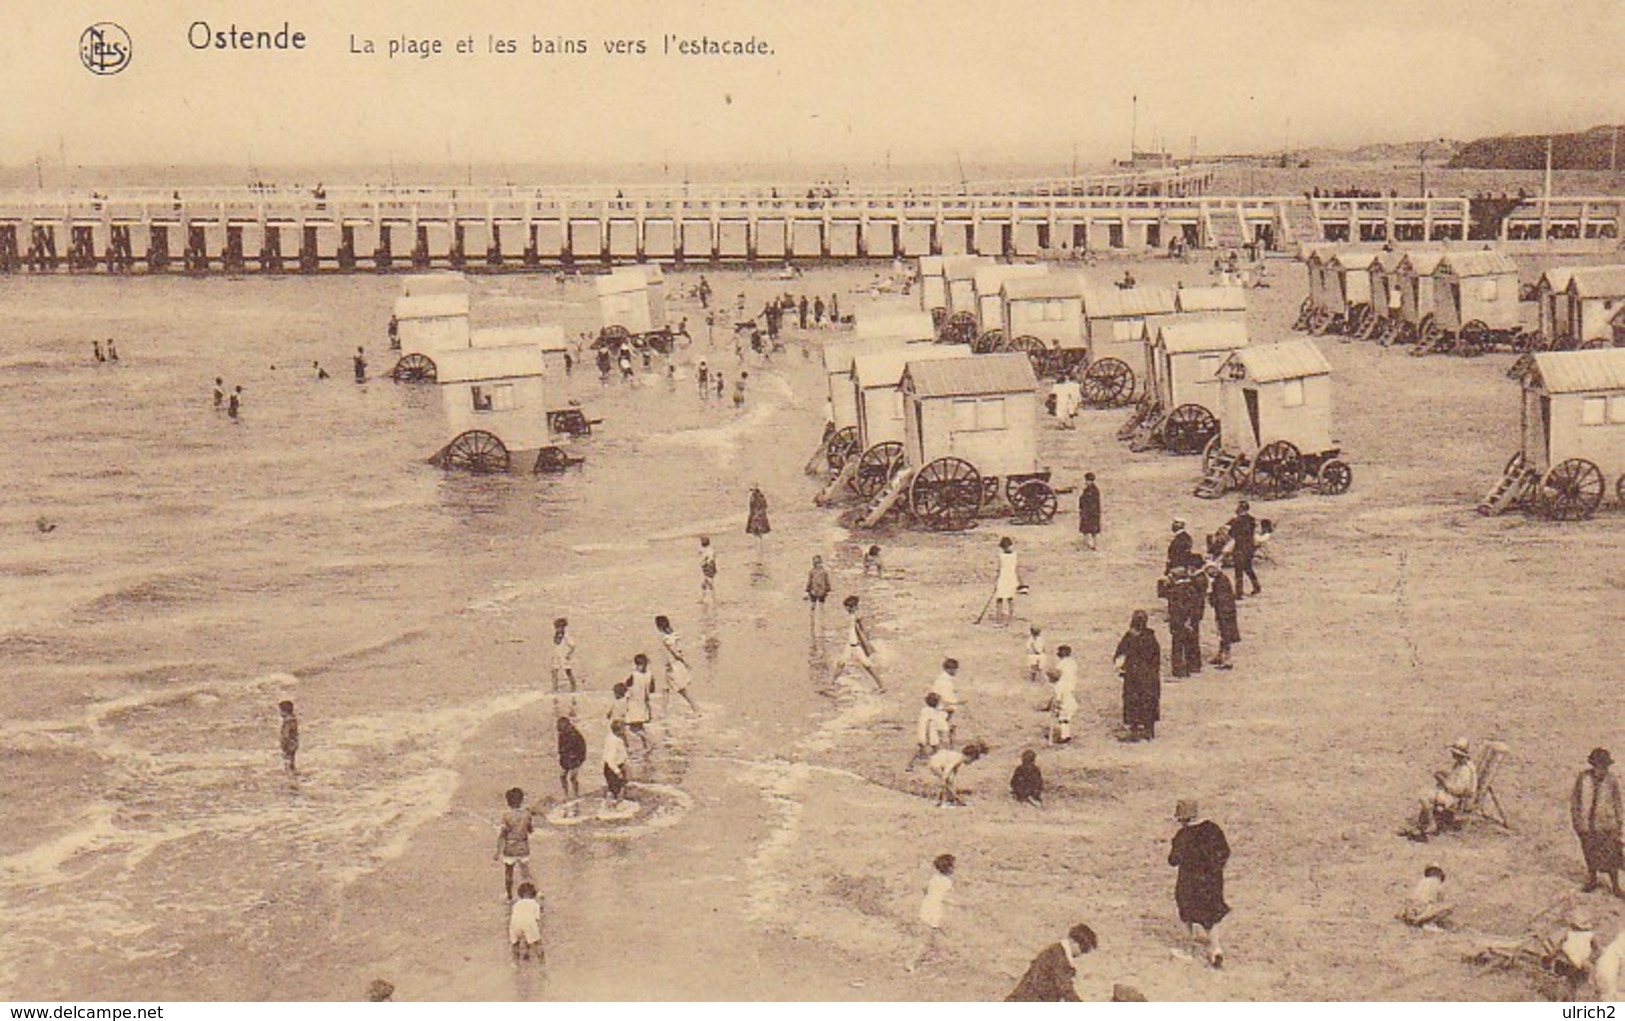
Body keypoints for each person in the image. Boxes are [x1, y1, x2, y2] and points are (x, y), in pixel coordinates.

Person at [1169, 799, 1230, 968]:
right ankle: (1216, 948)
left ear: (1182, 819)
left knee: (1186, 913)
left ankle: (1188, 949)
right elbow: (1225, 852)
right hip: (1213, 881)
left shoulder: (1183, 836)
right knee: (1211, 915)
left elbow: (1173, 860)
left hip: (1190, 883)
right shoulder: (1213, 829)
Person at [1571, 747, 1623, 896]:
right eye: (1599, 766)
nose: (1602, 770)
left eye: (1604, 766)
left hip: (1606, 824)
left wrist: (1619, 823)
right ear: (1593, 765)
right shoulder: (1583, 778)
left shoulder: (1611, 780)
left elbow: (1617, 803)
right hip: (1587, 824)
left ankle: (1615, 886)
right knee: (1589, 852)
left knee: (1612, 855)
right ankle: (1592, 880)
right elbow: (1575, 801)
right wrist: (1577, 821)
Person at [1006, 923, 1097, 1001]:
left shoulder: (1054, 951)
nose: (1081, 954)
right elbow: (1065, 989)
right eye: (1083, 949)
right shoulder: (1059, 958)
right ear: (1075, 942)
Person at [1410, 738, 1477, 842]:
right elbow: (1455, 779)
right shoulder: (1461, 765)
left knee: (1424, 797)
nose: (1452, 755)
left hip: (1457, 799)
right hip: (1453, 795)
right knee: (1427, 794)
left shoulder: (1465, 770)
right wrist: (1446, 775)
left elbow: (1457, 790)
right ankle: (1423, 825)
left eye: (1454, 753)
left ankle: (1430, 824)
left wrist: (1443, 781)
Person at [1114, 611, 1161, 741]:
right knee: (1148, 701)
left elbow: (1120, 656)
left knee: (1133, 701)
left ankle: (1134, 729)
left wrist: (1121, 667)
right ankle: (1148, 729)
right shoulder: (1151, 638)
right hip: (1149, 678)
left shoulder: (1129, 638)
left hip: (1133, 676)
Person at [905, 853, 955, 972]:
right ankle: (911, 962)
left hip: (926, 908)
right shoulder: (946, 882)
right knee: (926, 939)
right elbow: (947, 898)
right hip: (934, 911)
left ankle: (934, 956)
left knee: (932, 937)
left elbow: (925, 890)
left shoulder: (934, 878)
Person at [833, 595, 884, 692]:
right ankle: (831, 684)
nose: (846, 609)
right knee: (840, 663)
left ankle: (881, 685)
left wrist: (866, 644)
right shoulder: (853, 617)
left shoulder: (854, 618)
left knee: (868, 666)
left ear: (851, 607)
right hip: (850, 645)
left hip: (855, 646)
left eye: (847, 607)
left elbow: (860, 631)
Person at [495, 787, 534, 902]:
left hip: (510, 847)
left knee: (508, 873)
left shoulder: (506, 816)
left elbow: (503, 834)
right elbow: (530, 830)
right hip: (523, 846)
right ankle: (530, 895)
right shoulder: (527, 814)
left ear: (508, 802)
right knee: (525, 872)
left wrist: (498, 851)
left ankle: (509, 896)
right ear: (521, 800)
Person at [656, 615, 700, 714]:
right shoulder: (674, 635)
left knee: (681, 689)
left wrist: (685, 662)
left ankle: (695, 708)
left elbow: (674, 653)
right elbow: (679, 651)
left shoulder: (665, 639)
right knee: (666, 689)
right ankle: (663, 711)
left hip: (671, 666)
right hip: (672, 665)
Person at [1398, 862, 1453, 929]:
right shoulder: (1438, 884)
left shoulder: (1421, 882)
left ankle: (1413, 920)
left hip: (1410, 910)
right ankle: (1422, 921)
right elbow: (1438, 904)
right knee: (1449, 907)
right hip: (1423, 911)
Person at [1205, 562, 1239, 669]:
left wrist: (1211, 598)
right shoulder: (1219, 579)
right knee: (1222, 633)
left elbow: (1222, 598)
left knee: (1226, 634)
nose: (1209, 572)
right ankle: (1220, 656)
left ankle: (1227, 659)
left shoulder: (1221, 581)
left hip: (1225, 611)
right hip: (1223, 611)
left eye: (1210, 570)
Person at [929, 742, 984, 807]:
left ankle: (950, 798)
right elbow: (947, 770)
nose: (970, 763)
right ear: (969, 756)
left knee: (950, 781)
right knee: (947, 780)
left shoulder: (958, 757)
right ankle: (943, 801)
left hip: (937, 761)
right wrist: (944, 780)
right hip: (935, 764)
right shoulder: (958, 758)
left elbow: (953, 775)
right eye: (971, 760)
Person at [1226, 501, 1261, 598]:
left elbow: (1231, 534)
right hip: (1249, 547)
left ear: (1240, 509)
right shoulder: (1251, 520)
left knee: (1238, 570)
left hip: (1240, 547)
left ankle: (1239, 592)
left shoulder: (1236, 521)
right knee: (1248, 567)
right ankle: (1257, 587)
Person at [909, 692, 949, 771]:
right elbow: (933, 724)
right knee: (936, 749)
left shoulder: (925, 710)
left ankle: (910, 764)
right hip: (929, 734)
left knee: (921, 749)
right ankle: (942, 765)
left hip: (924, 733)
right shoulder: (932, 712)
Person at [624, 654, 654, 749]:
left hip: (634, 704)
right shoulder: (649, 674)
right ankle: (645, 743)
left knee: (630, 726)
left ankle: (644, 742)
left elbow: (626, 685)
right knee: (638, 726)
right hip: (643, 703)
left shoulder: (634, 675)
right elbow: (652, 689)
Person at [1050, 645, 1078, 745]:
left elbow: (1058, 693)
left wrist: (1055, 702)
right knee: (1066, 717)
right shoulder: (1073, 663)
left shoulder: (1061, 667)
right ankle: (1065, 734)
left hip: (1065, 696)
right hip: (1071, 692)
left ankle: (1064, 736)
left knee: (1063, 717)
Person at [508, 882, 543, 964]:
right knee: (537, 943)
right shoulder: (534, 904)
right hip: (529, 922)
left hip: (515, 923)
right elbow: (536, 920)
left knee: (515, 943)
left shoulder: (516, 904)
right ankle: (542, 962)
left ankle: (515, 962)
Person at [992, 536, 1021, 627]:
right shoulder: (1015, 555)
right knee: (1009, 599)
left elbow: (999, 569)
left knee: (1001, 599)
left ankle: (999, 620)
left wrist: (995, 581)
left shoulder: (1001, 556)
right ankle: (1009, 620)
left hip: (1004, 578)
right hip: (1011, 578)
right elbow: (1016, 569)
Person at [556, 716, 586, 803]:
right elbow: (560, 747)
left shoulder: (576, 735)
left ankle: (576, 794)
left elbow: (582, 748)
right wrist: (561, 755)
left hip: (575, 759)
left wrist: (580, 759)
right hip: (565, 759)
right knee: (562, 776)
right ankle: (566, 794)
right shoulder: (561, 734)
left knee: (573, 777)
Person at [602, 722, 630, 806]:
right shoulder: (614, 742)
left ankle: (612, 805)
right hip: (614, 767)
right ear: (619, 730)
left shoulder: (611, 737)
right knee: (617, 789)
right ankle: (615, 805)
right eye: (623, 729)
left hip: (614, 766)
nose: (625, 731)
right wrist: (618, 772)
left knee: (615, 787)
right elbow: (611, 759)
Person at [550, 617, 577, 692]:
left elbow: (573, 645)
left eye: (558, 628)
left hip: (564, 656)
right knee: (554, 671)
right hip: (557, 656)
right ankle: (554, 687)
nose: (557, 629)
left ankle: (573, 686)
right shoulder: (557, 635)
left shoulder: (566, 636)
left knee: (568, 671)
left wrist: (569, 654)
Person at [805, 555, 831, 632]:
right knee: (813, 606)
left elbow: (827, 581)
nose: (818, 564)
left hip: (821, 591)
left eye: (819, 563)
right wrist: (808, 589)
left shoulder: (824, 572)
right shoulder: (811, 572)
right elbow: (809, 581)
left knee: (821, 606)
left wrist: (828, 588)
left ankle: (822, 621)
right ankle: (812, 620)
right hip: (814, 591)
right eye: (816, 563)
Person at [745, 484, 770, 555]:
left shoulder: (754, 497)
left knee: (757, 533)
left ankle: (759, 548)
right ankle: (759, 547)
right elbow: (765, 506)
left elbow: (752, 508)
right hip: (759, 516)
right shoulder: (760, 497)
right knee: (758, 533)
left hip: (756, 517)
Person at [1077, 473, 1100, 550]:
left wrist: (1092, 511)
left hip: (1092, 512)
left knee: (1093, 530)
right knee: (1085, 529)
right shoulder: (1087, 490)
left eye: (1088, 481)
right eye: (1086, 480)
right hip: (1086, 511)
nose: (1086, 482)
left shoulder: (1095, 491)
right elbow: (1082, 499)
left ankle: (1094, 545)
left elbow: (1096, 502)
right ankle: (1086, 544)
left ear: (1092, 481)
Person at [278, 700, 299, 774]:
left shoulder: (288, 722)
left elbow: (286, 734)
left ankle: (289, 774)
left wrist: (284, 744)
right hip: (294, 742)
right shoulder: (293, 720)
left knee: (287, 760)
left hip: (288, 744)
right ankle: (292, 772)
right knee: (292, 759)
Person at [698, 536, 717, 606]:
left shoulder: (708, 550)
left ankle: (712, 599)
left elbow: (710, 559)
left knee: (708, 583)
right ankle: (705, 599)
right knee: (705, 584)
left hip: (708, 567)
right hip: (707, 567)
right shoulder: (708, 550)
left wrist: (705, 563)